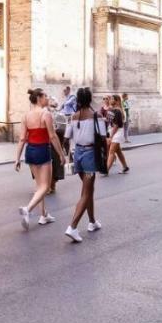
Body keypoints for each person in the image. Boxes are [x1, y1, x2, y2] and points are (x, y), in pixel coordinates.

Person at [15, 88, 65, 230]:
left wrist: (17, 158)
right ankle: (28, 209)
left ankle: (43, 215)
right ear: (39, 98)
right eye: (45, 96)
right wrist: (61, 154)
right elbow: (53, 136)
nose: (47, 98)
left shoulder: (26, 115)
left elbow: (22, 138)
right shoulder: (45, 114)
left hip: (30, 151)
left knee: (39, 186)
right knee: (46, 186)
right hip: (42, 150)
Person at [63, 87, 104, 242]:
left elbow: (67, 138)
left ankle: (92, 221)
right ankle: (72, 227)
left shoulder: (73, 117)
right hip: (90, 156)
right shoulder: (96, 116)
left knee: (89, 189)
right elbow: (102, 136)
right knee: (86, 193)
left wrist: (68, 157)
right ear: (90, 99)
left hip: (78, 154)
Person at [104, 95, 130, 173]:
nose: (110, 100)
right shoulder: (113, 110)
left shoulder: (118, 111)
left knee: (111, 151)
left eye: (112, 99)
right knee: (118, 151)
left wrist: (111, 137)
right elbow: (108, 120)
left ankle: (106, 170)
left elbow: (116, 125)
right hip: (113, 131)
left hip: (117, 132)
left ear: (117, 101)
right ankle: (125, 167)